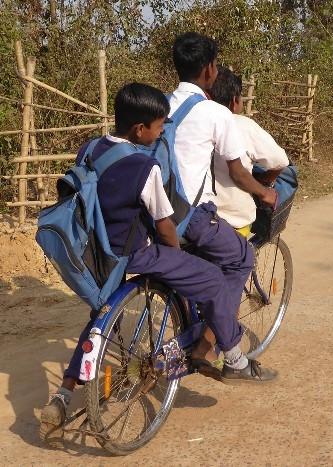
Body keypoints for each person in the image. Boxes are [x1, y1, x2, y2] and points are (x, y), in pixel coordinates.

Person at [39, 82, 273, 443]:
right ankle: (236, 359)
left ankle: (65, 393)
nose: (162, 131)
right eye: (160, 126)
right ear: (140, 129)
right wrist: (177, 257)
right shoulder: (144, 167)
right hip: (138, 251)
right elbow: (165, 224)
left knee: (101, 315)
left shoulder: (92, 148)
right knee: (210, 279)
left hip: (101, 252)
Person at [169, 32, 277, 380]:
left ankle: (197, 329)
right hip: (193, 217)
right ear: (210, 70)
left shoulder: (161, 105)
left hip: (158, 214)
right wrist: (264, 192)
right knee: (241, 258)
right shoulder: (216, 113)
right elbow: (237, 171)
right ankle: (229, 355)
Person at [208, 65, 289, 235]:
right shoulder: (243, 125)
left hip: (191, 218)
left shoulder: (190, 121)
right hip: (232, 220)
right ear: (235, 101)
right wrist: (265, 182)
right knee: (241, 259)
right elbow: (281, 161)